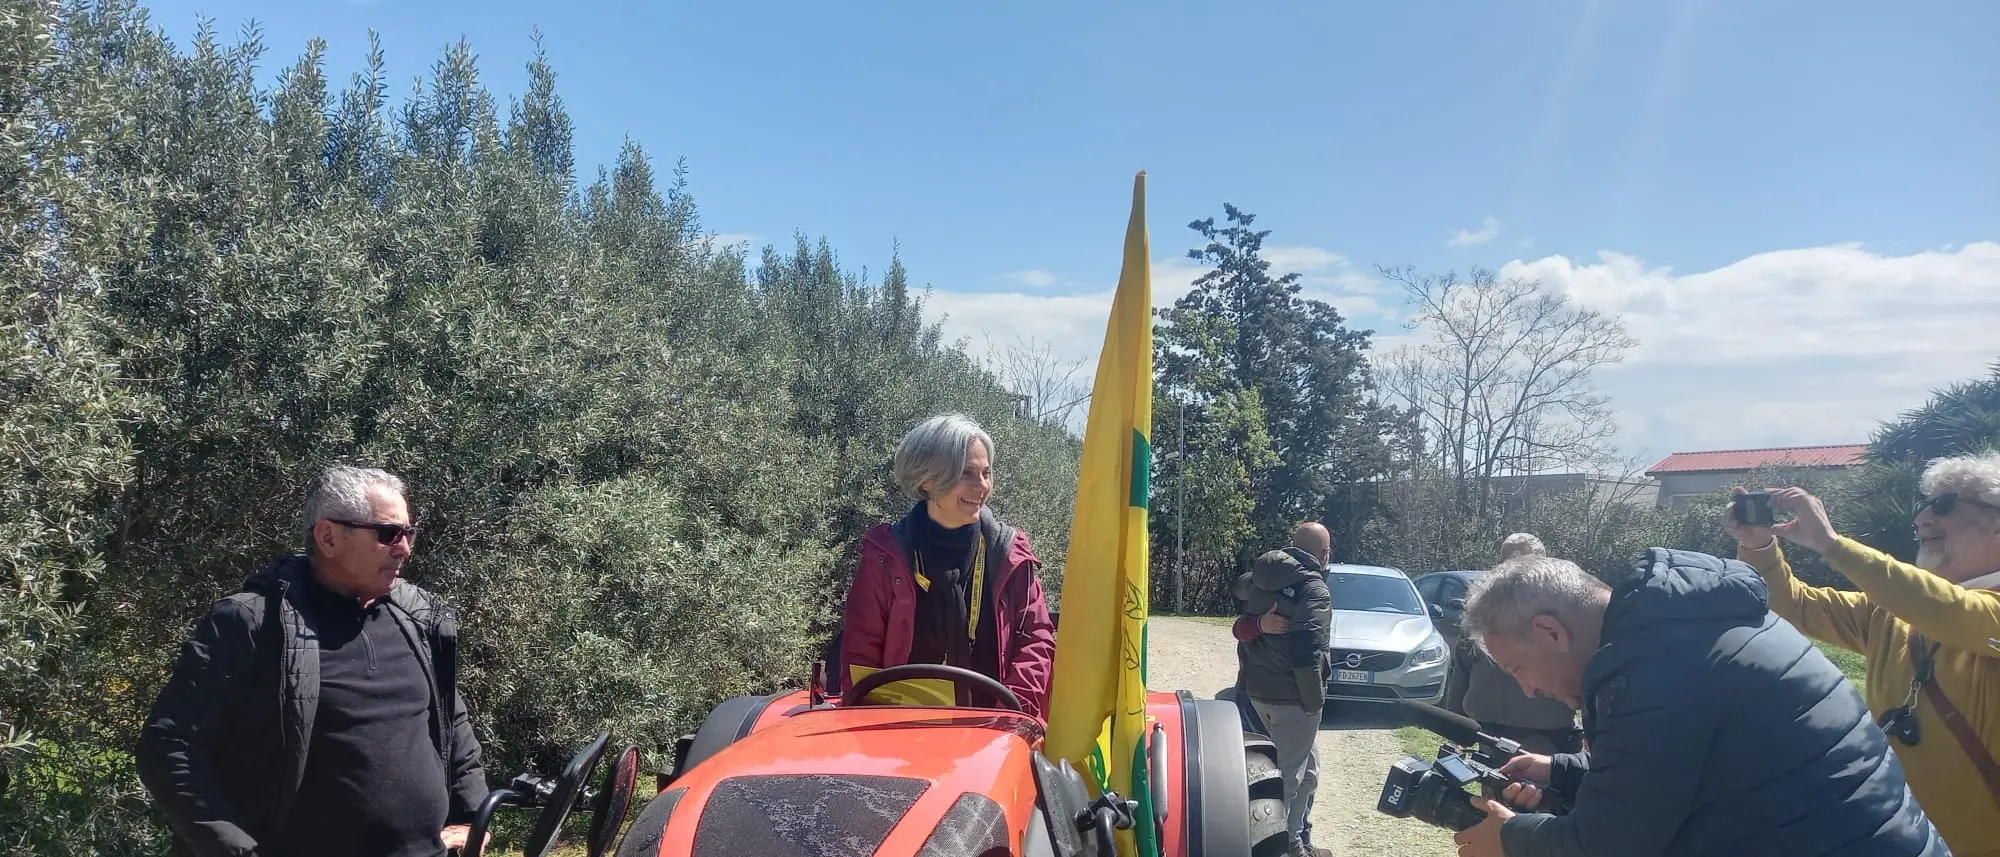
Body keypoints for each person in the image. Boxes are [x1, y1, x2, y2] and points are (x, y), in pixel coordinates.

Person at [1449, 549, 1948, 857]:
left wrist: (1510, 838)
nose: (1529, 691)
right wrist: (1560, 769)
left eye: (1517, 669)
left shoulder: (1657, 669)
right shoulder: (1679, 634)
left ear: (1550, 632)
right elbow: (1680, 771)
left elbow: (1611, 844)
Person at [137, 465, 489, 857]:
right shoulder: (252, 623)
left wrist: (472, 813)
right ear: (328, 537)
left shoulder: (418, 616)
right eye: (388, 533)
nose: (404, 548)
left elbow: (449, 718)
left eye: (409, 533)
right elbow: (169, 747)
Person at [1727, 451, 2000, 855]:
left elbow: (1949, 610)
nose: (1922, 519)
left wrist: (1833, 545)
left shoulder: (1953, 607)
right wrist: (1759, 546)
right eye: (1921, 506)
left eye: (1943, 506)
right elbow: (1792, 606)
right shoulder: (1891, 612)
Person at [838, 413, 1058, 719]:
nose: (981, 485)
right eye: (966, 473)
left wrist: (1013, 717)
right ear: (927, 480)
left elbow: (1036, 641)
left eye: (986, 473)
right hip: (903, 736)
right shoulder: (884, 556)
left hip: (996, 735)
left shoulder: (1010, 554)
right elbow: (861, 654)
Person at [1231, 523, 1335, 857]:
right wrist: (1313, 703)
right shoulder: (1314, 588)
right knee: (1285, 782)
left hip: (1259, 692)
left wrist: (1259, 623)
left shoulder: (1261, 576)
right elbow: (1308, 651)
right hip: (1292, 699)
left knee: (1308, 772)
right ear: (1324, 553)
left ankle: (1293, 842)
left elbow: (1239, 600)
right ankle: (1266, 850)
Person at [1452, 533, 1582, 755]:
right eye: (1511, 560)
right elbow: (1462, 669)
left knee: (1538, 789)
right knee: (1491, 785)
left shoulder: (1563, 610)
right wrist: (1454, 727)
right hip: (1489, 729)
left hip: (1546, 734)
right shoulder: (1484, 611)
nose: (1518, 568)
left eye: (1525, 561)